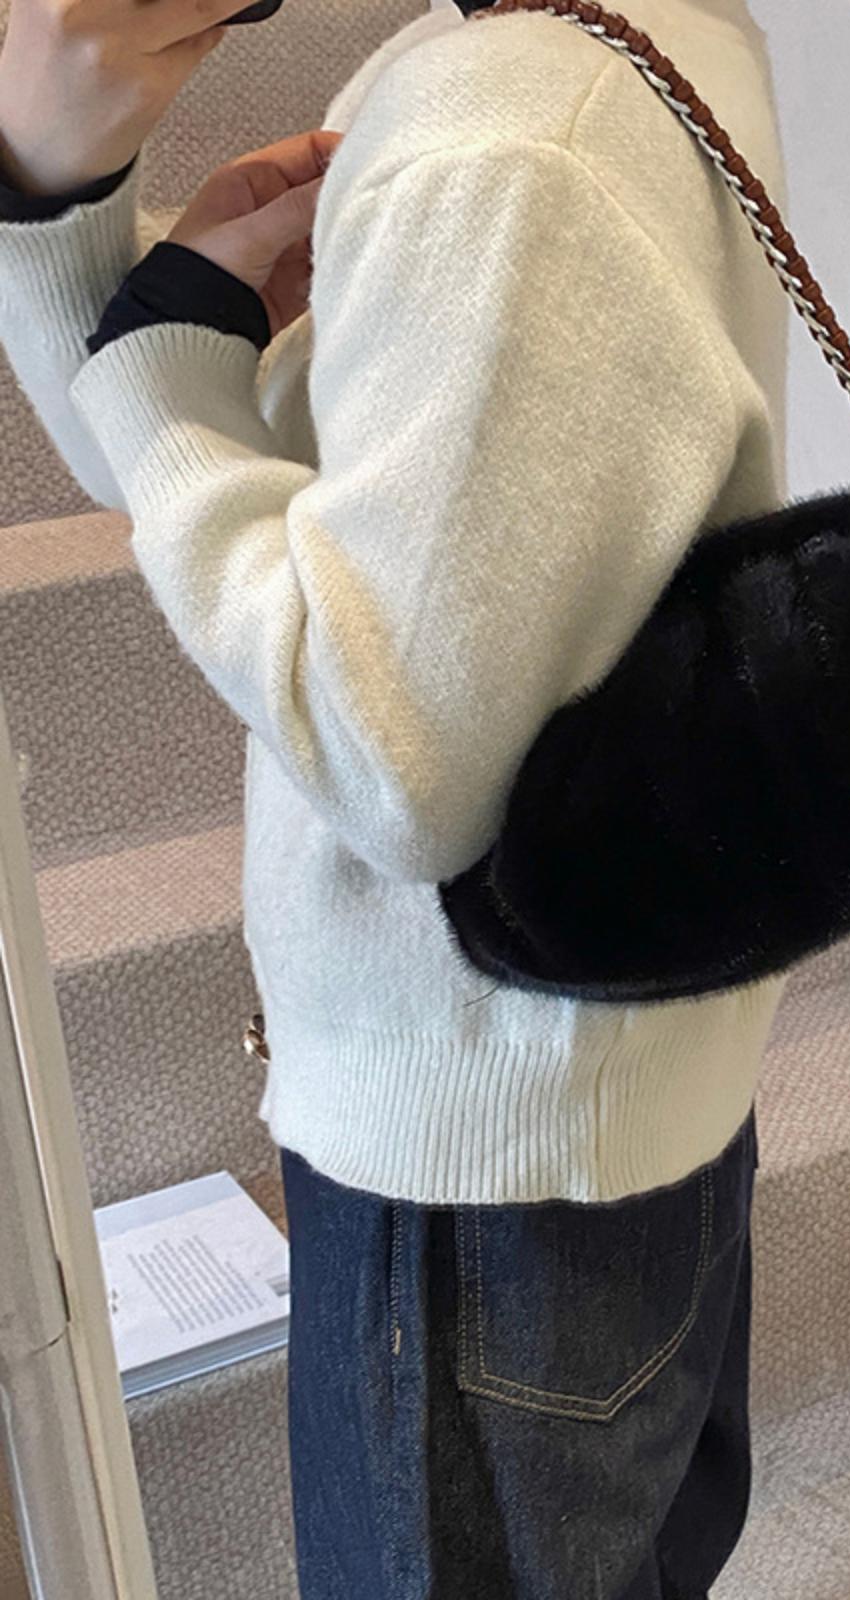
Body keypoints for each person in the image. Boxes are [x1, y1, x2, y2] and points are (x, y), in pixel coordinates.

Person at [0, 0, 792, 1594]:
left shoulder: (506, 128)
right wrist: (71, 209)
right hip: (596, 1095)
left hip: (476, 1170)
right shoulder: (624, 40)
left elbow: (397, 766)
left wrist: (157, 351)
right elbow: (178, 445)